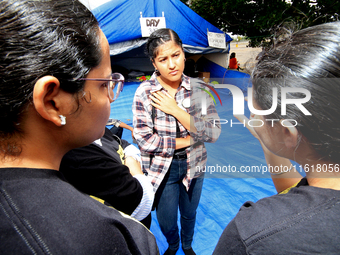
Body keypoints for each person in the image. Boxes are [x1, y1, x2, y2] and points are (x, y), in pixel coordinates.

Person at [0, 0, 158, 254]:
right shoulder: (107, 239)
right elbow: (140, 198)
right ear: (52, 102)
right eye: (104, 84)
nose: (111, 97)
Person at [213, 22, 340, 254]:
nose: (251, 116)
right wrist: (268, 141)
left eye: (255, 111)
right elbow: (312, 200)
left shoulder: (253, 234)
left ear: (288, 131)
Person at [132, 28, 221, 255]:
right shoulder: (145, 92)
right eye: (163, 59)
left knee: (190, 214)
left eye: (176, 55)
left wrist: (175, 110)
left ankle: (187, 245)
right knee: (166, 219)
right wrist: (190, 140)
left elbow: (213, 133)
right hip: (163, 168)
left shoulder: (199, 89)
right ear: (154, 63)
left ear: (184, 54)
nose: (172, 64)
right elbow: (145, 140)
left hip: (195, 164)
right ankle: (172, 245)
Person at [60, 127, 154, 228]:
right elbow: (141, 201)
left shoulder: (96, 129)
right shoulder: (79, 157)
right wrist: (133, 166)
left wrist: (130, 158)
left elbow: (123, 143)